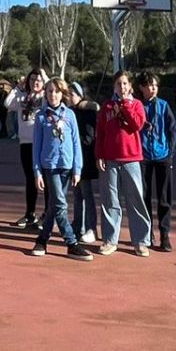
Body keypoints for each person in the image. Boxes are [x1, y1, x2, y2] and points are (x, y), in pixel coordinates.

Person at [28, 80, 90, 260]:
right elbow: (36, 146)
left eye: (56, 92)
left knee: (55, 205)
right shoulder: (41, 117)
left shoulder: (69, 114)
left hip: (67, 165)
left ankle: (42, 239)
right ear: (45, 94)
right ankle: (71, 243)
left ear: (62, 93)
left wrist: (78, 168)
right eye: (49, 92)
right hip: (50, 166)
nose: (52, 95)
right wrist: (37, 172)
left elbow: (77, 143)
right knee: (61, 205)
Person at [94, 71, 150, 256]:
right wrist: (99, 155)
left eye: (125, 84)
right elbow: (100, 133)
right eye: (119, 84)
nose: (122, 87)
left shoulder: (137, 105)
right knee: (110, 200)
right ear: (114, 87)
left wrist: (126, 104)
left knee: (135, 200)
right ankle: (110, 240)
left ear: (131, 86)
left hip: (131, 159)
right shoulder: (107, 106)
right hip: (110, 159)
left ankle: (141, 241)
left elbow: (137, 125)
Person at [137, 71, 176, 253]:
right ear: (141, 88)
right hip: (143, 156)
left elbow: (172, 130)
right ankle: (147, 233)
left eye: (155, 85)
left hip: (162, 156)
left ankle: (165, 233)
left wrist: (170, 153)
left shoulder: (163, 106)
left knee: (164, 197)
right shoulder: (137, 106)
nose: (152, 88)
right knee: (144, 196)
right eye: (148, 85)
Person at [4, 69, 47, 227]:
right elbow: (7, 103)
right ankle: (30, 214)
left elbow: (54, 91)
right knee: (30, 179)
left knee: (45, 180)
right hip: (26, 143)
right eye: (32, 79)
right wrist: (19, 86)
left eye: (39, 80)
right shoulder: (22, 96)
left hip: (42, 143)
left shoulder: (45, 97)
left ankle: (47, 215)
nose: (35, 82)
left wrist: (45, 77)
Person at [68, 81, 101, 243]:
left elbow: (89, 138)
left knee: (87, 194)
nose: (69, 97)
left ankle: (91, 228)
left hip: (85, 160)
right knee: (77, 194)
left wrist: (73, 141)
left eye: (72, 94)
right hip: (73, 160)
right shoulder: (69, 111)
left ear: (80, 96)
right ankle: (77, 225)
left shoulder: (87, 112)